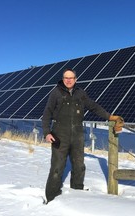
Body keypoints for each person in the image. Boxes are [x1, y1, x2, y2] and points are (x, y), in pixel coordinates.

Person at [42, 68, 124, 204]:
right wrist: (47, 132)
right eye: (66, 78)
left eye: (71, 78)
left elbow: (93, 107)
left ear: (76, 79)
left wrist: (109, 116)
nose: (68, 80)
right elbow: (47, 113)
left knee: (79, 165)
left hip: (78, 134)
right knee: (57, 167)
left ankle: (77, 191)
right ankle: (51, 196)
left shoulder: (80, 93)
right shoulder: (56, 93)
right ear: (63, 79)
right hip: (59, 134)